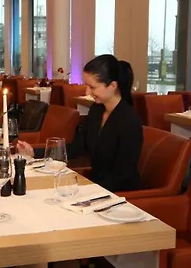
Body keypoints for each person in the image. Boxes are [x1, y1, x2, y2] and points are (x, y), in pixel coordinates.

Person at [17, 54, 143, 193]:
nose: (87, 92)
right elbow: (77, 147)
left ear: (113, 86)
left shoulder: (129, 121)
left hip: (120, 194)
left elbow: (123, 175)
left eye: (92, 87)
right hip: (96, 187)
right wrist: (35, 152)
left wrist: (89, 190)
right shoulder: (96, 110)